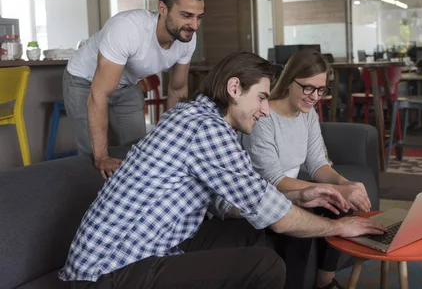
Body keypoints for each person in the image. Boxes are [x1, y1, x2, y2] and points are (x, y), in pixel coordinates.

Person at [58, 51, 386, 289]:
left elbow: (222, 203)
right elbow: (275, 214)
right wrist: (339, 227)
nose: (263, 110)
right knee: (265, 264)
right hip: (108, 273)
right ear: (233, 89)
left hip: (153, 248)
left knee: (255, 234)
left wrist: (301, 193)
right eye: (259, 98)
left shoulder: (195, 117)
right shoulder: (206, 129)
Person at [242, 49, 372, 289]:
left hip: (293, 193)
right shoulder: (264, 116)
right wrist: (327, 190)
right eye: (308, 88)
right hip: (266, 196)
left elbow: (317, 163)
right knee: (306, 221)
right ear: (290, 80)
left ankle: (325, 282)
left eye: (321, 90)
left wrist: (344, 185)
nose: (314, 97)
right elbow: (274, 180)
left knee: (341, 205)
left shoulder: (307, 113)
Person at [63, 0, 204, 179]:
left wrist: (175, 140)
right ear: (163, 9)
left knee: (138, 152)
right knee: (93, 157)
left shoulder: (187, 38)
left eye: (199, 17)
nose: (194, 25)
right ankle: (91, 206)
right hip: (84, 81)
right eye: (187, 15)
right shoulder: (128, 28)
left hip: (126, 84)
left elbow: (177, 90)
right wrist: (102, 156)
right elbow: (99, 93)